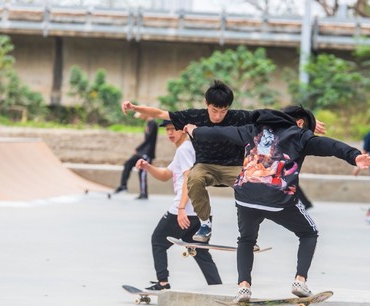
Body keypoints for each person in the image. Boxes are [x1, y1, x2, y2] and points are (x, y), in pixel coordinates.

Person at [183, 105, 370, 302]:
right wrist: (354, 156)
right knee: (309, 233)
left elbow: (219, 133)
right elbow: (330, 146)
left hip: (245, 196)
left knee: (246, 240)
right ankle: (300, 281)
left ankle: (243, 288)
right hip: (278, 198)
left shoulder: (252, 130)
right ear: (300, 122)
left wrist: (194, 130)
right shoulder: (299, 135)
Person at [121, 80, 323, 243]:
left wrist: (307, 122)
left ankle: (249, 235)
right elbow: (159, 113)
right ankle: (205, 223)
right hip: (205, 165)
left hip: (235, 167)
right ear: (207, 105)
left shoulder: (239, 117)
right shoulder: (194, 115)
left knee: (254, 184)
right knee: (193, 177)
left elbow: (271, 117)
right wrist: (133, 107)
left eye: (223, 111)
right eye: (214, 110)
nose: (218, 116)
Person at [135, 120, 222, 291]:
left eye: (173, 129)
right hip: (199, 211)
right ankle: (218, 287)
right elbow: (166, 175)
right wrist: (147, 167)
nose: (169, 133)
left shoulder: (184, 149)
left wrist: (181, 209)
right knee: (199, 251)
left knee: (158, 241)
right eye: (167, 130)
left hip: (185, 209)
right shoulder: (187, 149)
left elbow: (190, 179)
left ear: (183, 130)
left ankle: (163, 283)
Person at [114, 113, 158, 199]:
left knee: (142, 172)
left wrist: (138, 149)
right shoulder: (148, 123)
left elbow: (149, 140)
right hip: (142, 152)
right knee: (128, 164)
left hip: (147, 153)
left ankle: (144, 193)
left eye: (141, 115)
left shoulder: (153, 124)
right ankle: (123, 185)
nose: (141, 117)